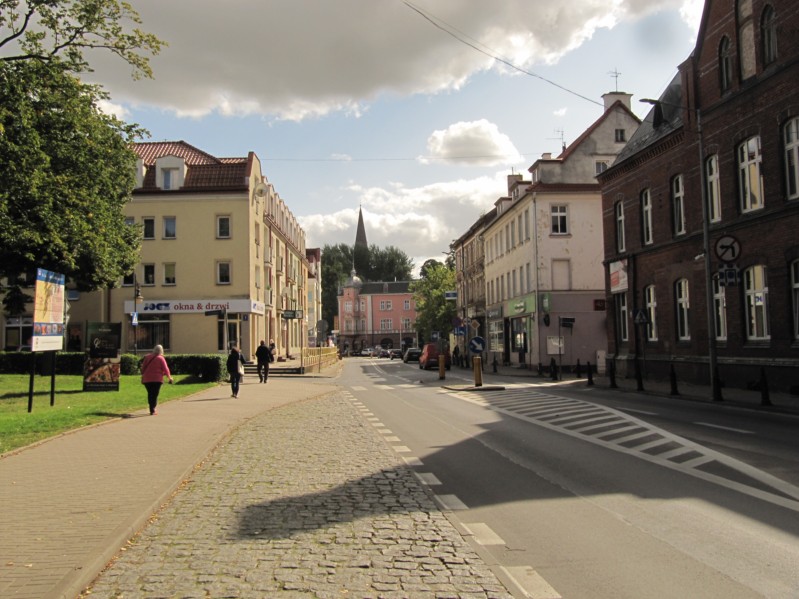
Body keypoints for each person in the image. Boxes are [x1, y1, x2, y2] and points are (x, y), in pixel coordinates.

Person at [140, 344, 173, 415]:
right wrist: (169, 377)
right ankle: (153, 409)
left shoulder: (147, 357)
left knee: (150, 393)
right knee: (155, 394)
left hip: (147, 379)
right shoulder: (161, 358)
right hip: (157, 379)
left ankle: (151, 407)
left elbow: (143, 368)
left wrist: (143, 374)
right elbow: (166, 369)